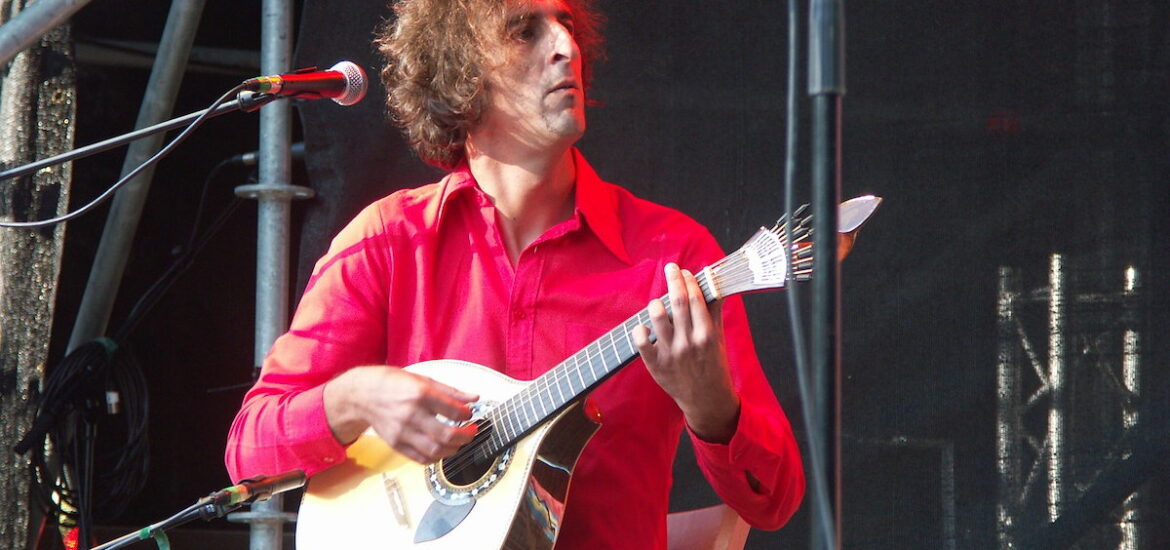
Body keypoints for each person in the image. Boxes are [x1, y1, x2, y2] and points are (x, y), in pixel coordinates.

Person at [225, 0, 805, 548]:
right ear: (460, 70)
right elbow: (250, 449)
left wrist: (713, 409)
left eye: (568, 25)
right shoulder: (389, 240)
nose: (566, 48)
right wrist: (354, 399)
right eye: (525, 30)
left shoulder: (671, 256)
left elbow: (774, 502)